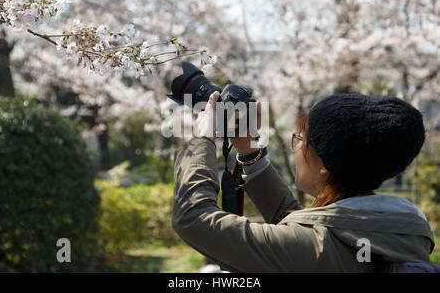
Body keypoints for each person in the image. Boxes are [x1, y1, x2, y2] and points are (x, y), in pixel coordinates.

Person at [171, 91, 436, 272]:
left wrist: (202, 140)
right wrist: (249, 152)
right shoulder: (390, 232)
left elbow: (193, 219)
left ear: (323, 165)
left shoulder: (316, 251)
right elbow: (302, 226)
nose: (295, 147)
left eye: (299, 140)